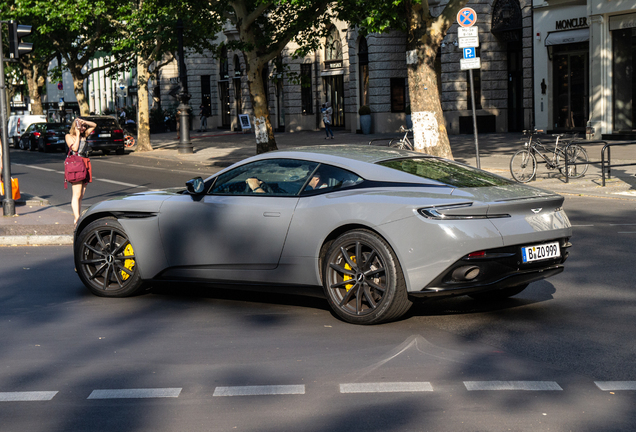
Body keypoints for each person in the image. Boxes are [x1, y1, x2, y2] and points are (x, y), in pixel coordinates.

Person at [65, 117, 97, 225]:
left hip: (85, 162)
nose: (83, 128)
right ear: (75, 126)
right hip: (76, 164)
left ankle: (77, 216)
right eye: (81, 126)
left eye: (84, 127)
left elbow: (94, 125)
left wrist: (84, 121)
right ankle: (77, 218)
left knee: (81, 194)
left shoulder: (85, 135)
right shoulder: (69, 136)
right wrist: (78, 134)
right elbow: (75, 148)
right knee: (77, 193)